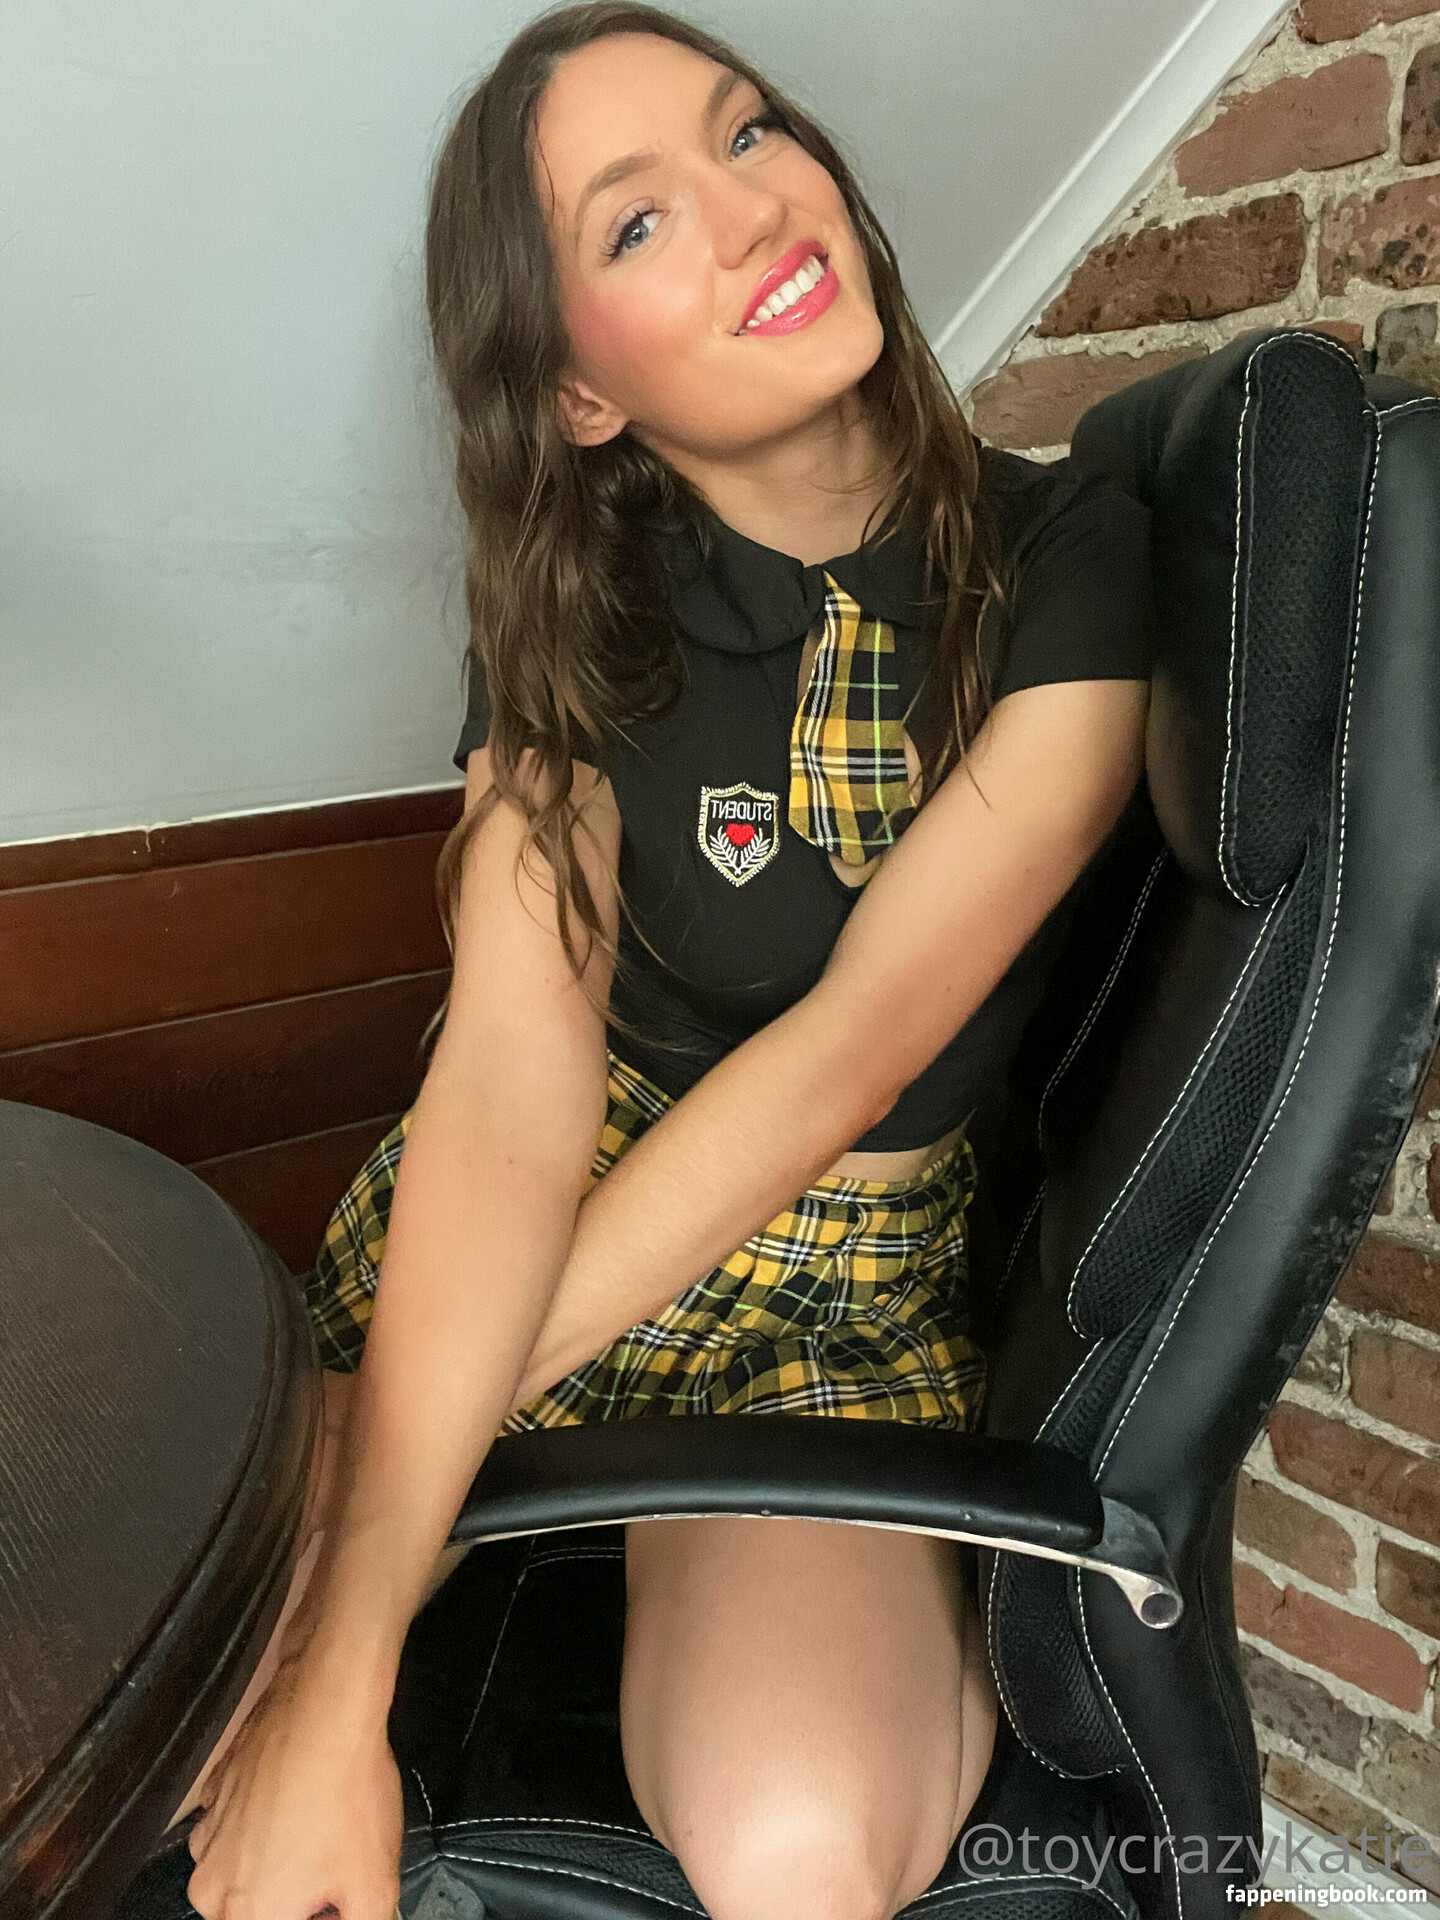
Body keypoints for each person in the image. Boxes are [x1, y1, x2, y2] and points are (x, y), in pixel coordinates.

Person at [173, 4, 1154, 1918]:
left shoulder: (1072, 560)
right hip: (524, 1219)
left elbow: (851, 1056)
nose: (753, 209)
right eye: (636, 222)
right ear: (575, 396)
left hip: (822, 1296)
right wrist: (349, 1577)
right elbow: (510, 1075)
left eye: (751, 131)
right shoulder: (567, 621)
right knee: (162, 1737)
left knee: (798, 1841)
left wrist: (390, 1499)